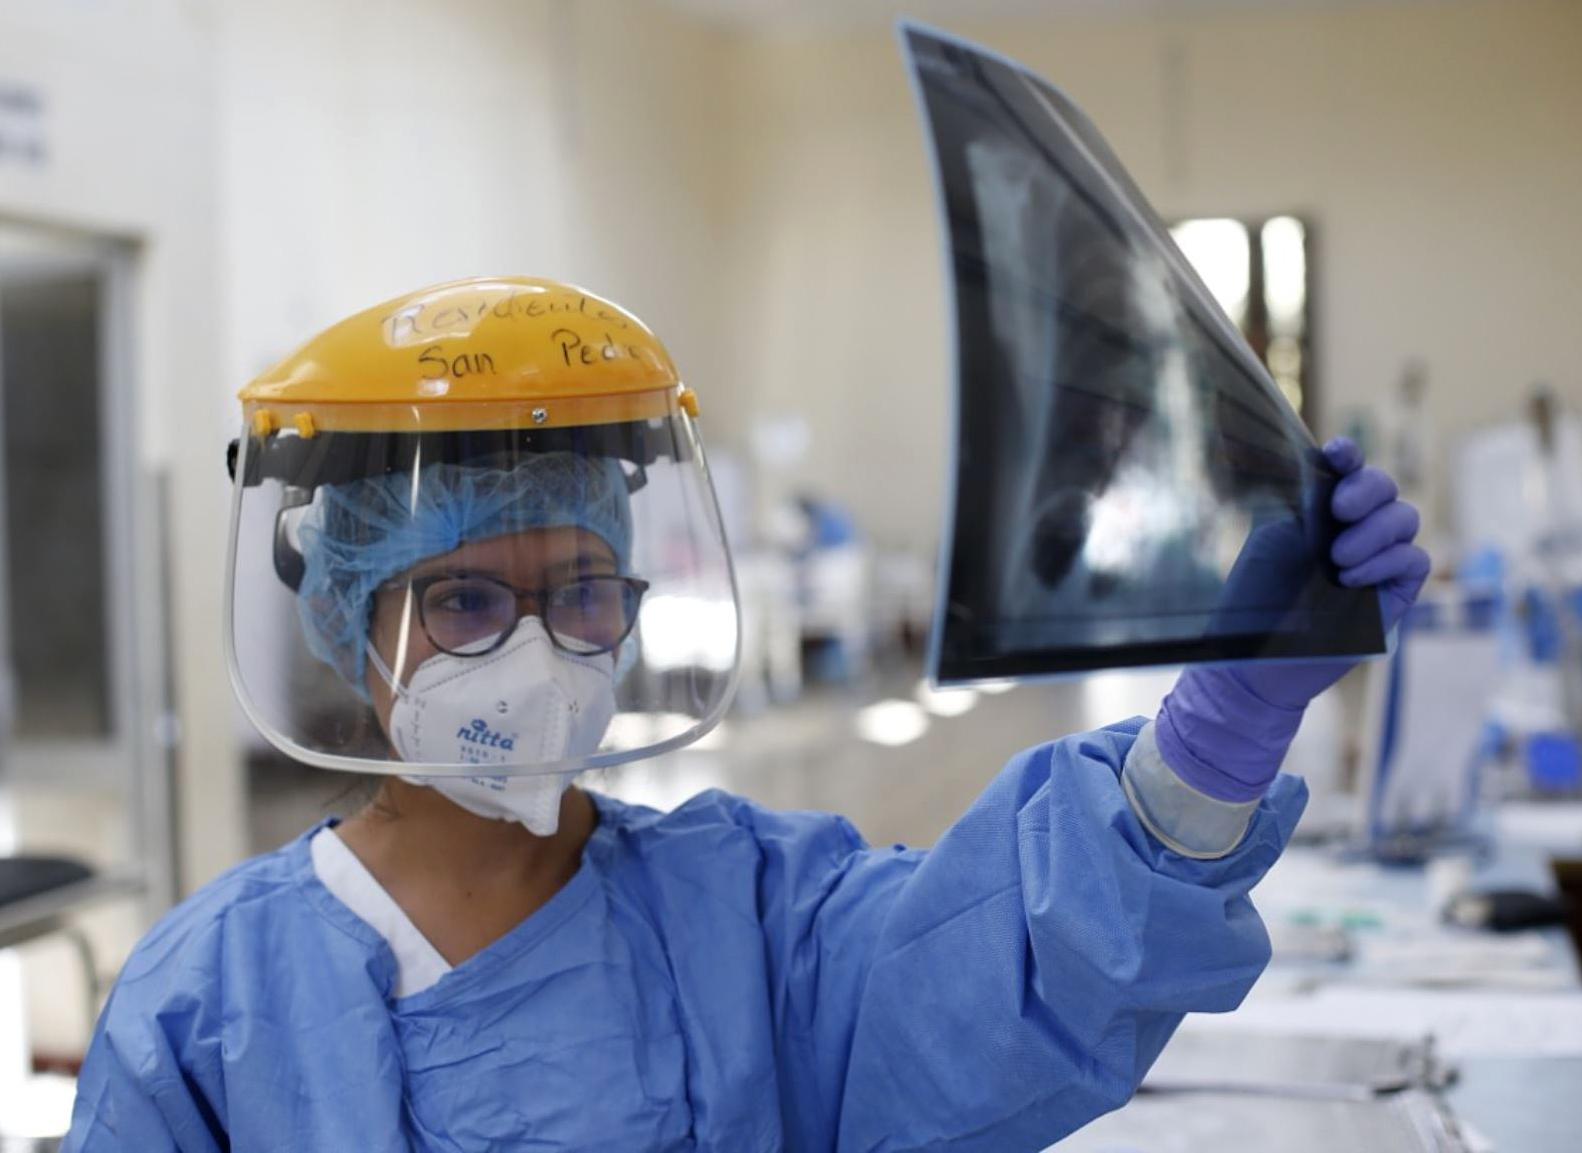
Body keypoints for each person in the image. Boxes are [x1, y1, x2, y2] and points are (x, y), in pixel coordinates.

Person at [67, 277, 1427, 1152]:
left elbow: (1017, 973)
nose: (537, 655)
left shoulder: (759, 919)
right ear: (350, 619)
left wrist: (1221, 727)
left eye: (582, 592)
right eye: (467, 602)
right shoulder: (208, 1004)